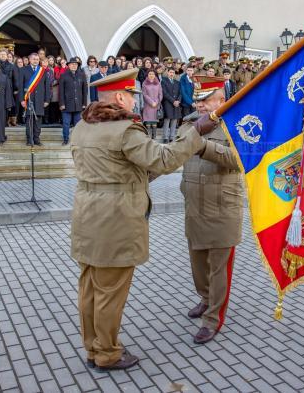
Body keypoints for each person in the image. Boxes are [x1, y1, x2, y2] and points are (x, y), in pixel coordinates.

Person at [70, 68, 218, 372]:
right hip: (115, 218)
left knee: (90, 287)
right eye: (133, 96)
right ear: (121, 97)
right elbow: (161, 158)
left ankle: (92, 347)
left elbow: (126, 166)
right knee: (110, 292)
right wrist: (195, 133)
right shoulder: (125, 130)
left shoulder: (82, 126)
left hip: (87, 214)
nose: (136, 103)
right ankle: (108, 353)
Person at [177, 75, 243, 344]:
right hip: (195, 205)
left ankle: (213, 319)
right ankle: (205, 299)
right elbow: (174, 153)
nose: (201, 105)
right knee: (198, 265)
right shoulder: (188, 123)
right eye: (198, 100)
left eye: (206, 100)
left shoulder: (236, 124)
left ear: (221, 100)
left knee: (219, 269)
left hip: (222, 206)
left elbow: (239, 160)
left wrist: (204, 145)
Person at [19, 53, 50, 146]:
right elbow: (20, 86)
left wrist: (47, 100)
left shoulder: (43, 71)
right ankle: (29, 139)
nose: (36, 61)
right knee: (29, 120)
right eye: (33, 59)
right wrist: (21, 100)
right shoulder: (23, 70)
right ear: (29, 60)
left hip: (40, 100)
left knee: (38, 120)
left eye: (37, 59)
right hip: (28, 99)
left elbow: (47, 86)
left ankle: (36, 139)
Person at [59, 57, 87, 145]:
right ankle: (66, 139)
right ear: (68, 65)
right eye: (72, 64)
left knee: (78, 124)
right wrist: (62, 103)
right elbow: (61, 91)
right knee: (66, 123)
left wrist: (84, 103)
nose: (74, 66)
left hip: (78, 104)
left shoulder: (82, 75)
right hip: (66, 104)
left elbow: (84, 90)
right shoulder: (63, 75)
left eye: (76, 64)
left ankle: (77, 140)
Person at [161, 66, 181, 143]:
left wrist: (178, 101)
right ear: (168, 73)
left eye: (173, 72)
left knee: (174, 119)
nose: (172, 74)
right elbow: (165, 93)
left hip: (176, 103)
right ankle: (165, 137)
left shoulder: (177, 82)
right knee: (167, 119)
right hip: (168, 103)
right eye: (170, 72)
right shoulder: (163, 81)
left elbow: (180, 93)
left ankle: (172, 137)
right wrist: (173, 101)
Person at [0, 49, 17, 126]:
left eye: (4, 54)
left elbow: (15, 78)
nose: (3, 56)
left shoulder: (12, 66)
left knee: (7, 105)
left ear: (6, 56)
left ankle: (5, 122)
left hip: (9, 88)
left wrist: (16, 88)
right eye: (1, 54)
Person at [141, 69, 162, 139]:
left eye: (153, 74)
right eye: (150, 74)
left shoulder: (158, 83)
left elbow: (160, 94)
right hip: (148, 106)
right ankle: (148, 138)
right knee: (148, 122)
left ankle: (154, 138)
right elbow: (144, 94)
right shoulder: (144, 83)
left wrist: (156, 102)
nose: (151, 75)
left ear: (155, 75)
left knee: (154, 123)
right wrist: (151, 102)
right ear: (147, 75)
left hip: (156, 105)